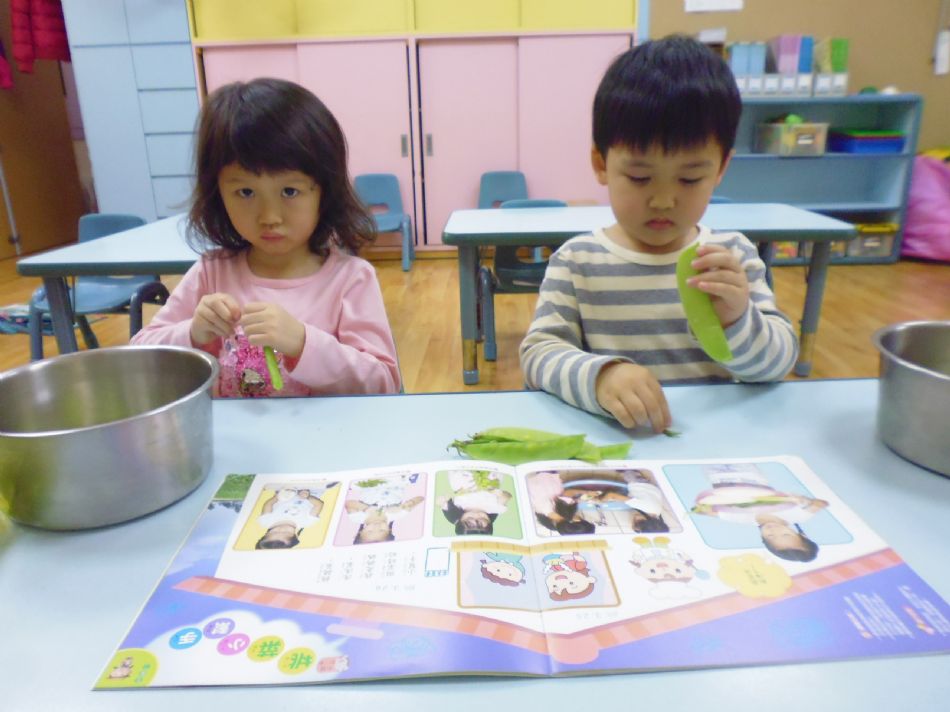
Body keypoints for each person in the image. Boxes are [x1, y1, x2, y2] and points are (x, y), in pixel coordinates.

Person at [520, 35, 798, 432]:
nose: (664, 200)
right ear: (601, 164)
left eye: (689, 179)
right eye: (639, 177)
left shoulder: (731, 256)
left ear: (721, 168)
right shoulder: (576, 261)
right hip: (616, 443)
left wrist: (738, 320)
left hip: (715, 445)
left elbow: (778, 364)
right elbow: (539, 354)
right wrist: (600, 377)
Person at [131, 78, 400, 397]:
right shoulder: (211, 272)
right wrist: (192, 333)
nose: (269, 216)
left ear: (324, 192)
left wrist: (304, 343)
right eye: (245, 192)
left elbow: (383, 382)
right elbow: (141, 357)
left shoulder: (350, 279)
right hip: (233, 430)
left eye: (290, 191)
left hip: (324, 430)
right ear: (218, 194)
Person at [691, 464, 828, 562]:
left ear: (763, 538)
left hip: (715, 475)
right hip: (748, 472)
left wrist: (702, 509)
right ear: (801, 534)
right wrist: (804, 500)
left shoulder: (745, 519)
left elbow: (709, 512)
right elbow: (821, 504)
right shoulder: (798, 516)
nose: (773, 530)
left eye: (770, 536)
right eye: (785, 534)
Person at [437, 469, 512, 536]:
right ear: (490, 522)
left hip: (464, 476)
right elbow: (507, 497)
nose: (476, 515)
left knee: (456, 481)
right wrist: (501, 494)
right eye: (482, 518)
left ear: (460, 519)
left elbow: (441, 503)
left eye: (469, 518)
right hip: (490, 477)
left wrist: (442, 501)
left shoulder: (458, 507)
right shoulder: (495, 508)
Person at [255, 486, 329, 549]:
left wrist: (277, 497)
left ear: (266, 534)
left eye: (274, 532)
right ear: (295, 535)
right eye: (286, 532)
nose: (282, 529)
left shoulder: (266, 521)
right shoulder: (307, 522)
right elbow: (319, 504)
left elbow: (269, 504)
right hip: (312, 490)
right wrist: (308, 497)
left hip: (286, 489)